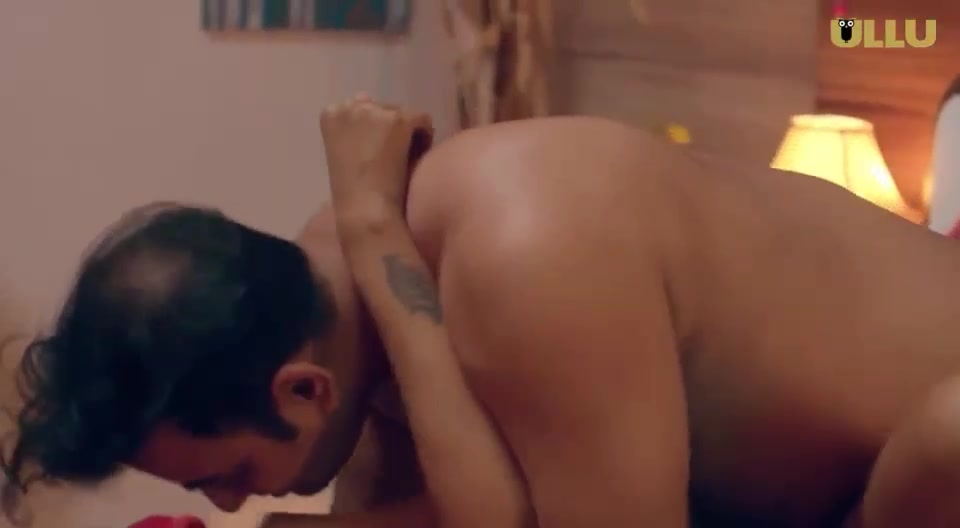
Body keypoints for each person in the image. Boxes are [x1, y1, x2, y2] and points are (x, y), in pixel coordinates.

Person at [5, 96, 960, 528]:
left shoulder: (524, 254)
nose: (231, 505)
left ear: (303, 389)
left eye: (229, 477)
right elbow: (463, 502)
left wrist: (382, 245)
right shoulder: (342, 271)